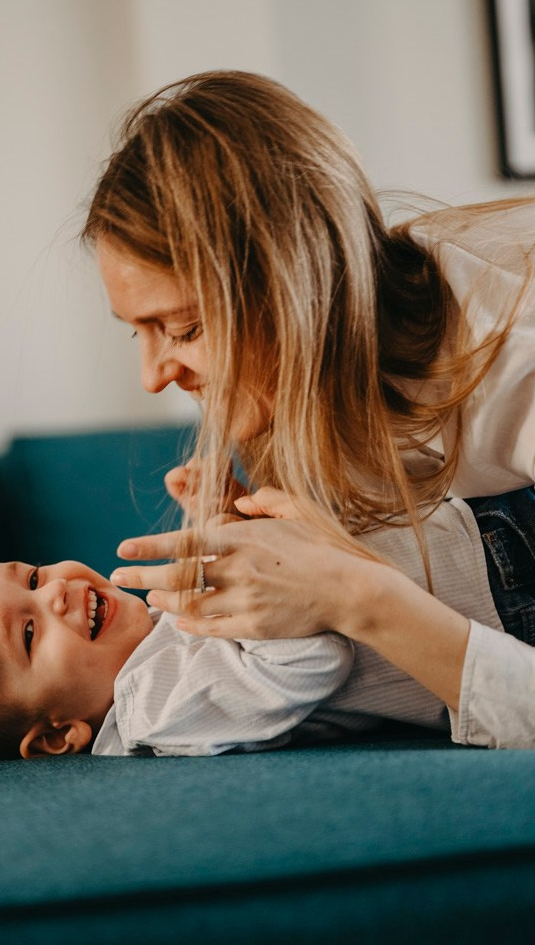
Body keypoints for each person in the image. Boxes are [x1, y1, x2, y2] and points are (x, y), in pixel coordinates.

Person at [80, 69, 535, 747]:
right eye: (137, 331)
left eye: (184, 330)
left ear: (292, 291)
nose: (153, 377)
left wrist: (355, 593)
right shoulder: (310, 402)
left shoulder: (513, 356)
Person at [0, 496, 508, 761]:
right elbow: (314, 659)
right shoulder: (155, 709)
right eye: (27, 633)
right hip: (496, 607)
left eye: (31, 577)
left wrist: (232, 526)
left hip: (470, 542)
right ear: (56, 737)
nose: (56, 592)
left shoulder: (153, 640)